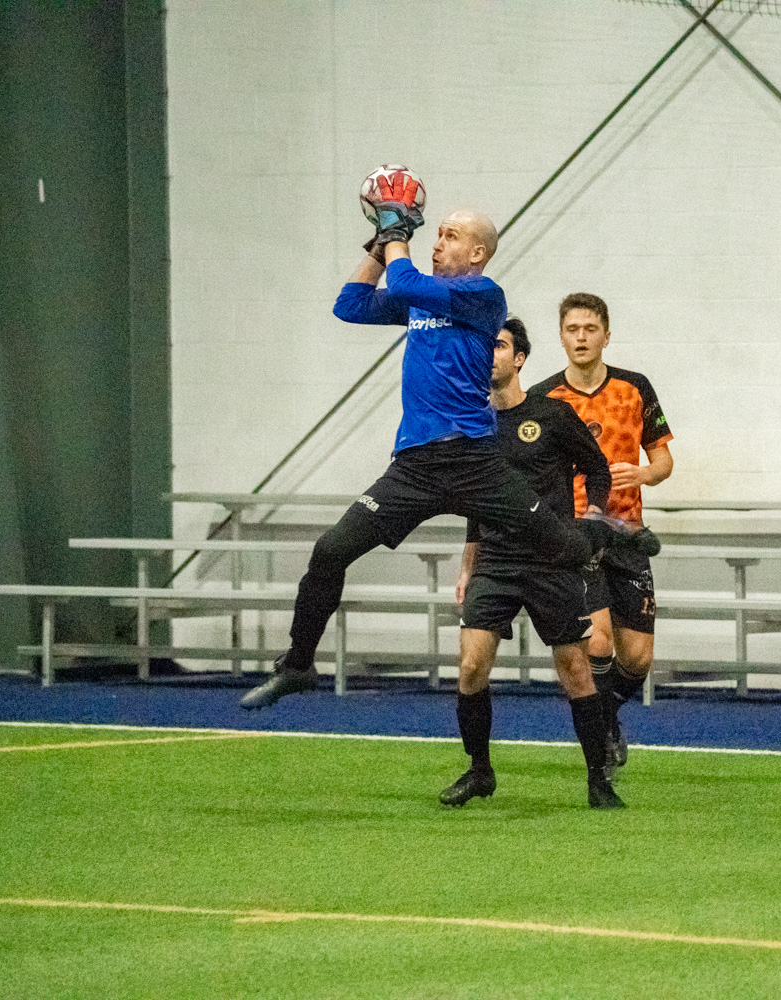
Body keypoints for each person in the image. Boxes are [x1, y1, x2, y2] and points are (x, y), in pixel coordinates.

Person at [241, 183, 653, 711]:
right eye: (434, 233)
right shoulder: (420, 299)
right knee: (331, 550)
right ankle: (298, 665)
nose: (436, 242)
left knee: (564, 544)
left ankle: (612, 538)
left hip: (472, 461)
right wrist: (378, 243)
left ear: (477, 253)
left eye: (450, 235)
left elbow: (407, 276)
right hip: (414, 466)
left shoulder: (484, 297)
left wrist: (397, 235)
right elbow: (350, 304)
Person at [444, 317, 623, 809]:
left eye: (498, 346)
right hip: (496, 562)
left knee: (575, 670)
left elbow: (598, 470)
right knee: (470, 666)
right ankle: (480, 772)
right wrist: (467, 567)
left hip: (550, 562)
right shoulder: (473, 425)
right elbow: (478, 505)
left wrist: (592, 522)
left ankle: (598, 781)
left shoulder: (553, 415)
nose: (489, 355)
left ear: (519, 358)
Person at [532, 293, 674, 774]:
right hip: (575, 537)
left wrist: (646, 475)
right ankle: (602, 738)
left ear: (606, 335)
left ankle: (604, 714)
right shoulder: (544, 399)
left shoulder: (635, 388)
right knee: (598, 643)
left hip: (628, 535)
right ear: (561, 336)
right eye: (572, 329)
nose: (581, 337)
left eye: (590, 329)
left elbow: (663, 460)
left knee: (638, 659)